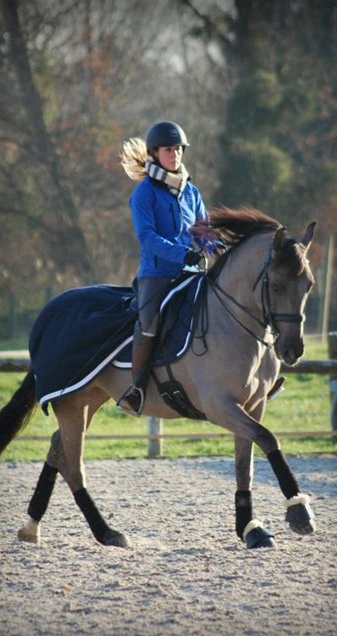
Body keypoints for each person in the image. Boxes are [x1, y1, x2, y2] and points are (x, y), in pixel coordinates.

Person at [117, 120, 209, 416]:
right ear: (155, 153)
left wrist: (218, 247)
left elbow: (204, 230)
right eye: (169, 150)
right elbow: (147, 238)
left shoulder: (191, 192)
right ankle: (136, 390)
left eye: (179, 149)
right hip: (157, 274)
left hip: (191, 274)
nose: (176, 155)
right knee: (149, 325)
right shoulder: (144, 193)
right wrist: (183, 254)